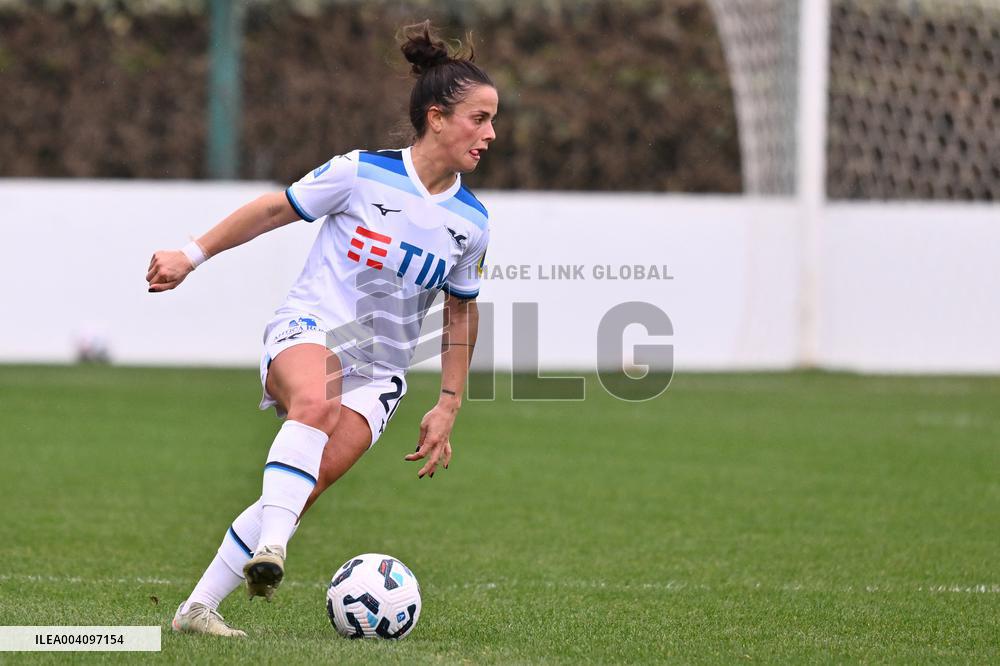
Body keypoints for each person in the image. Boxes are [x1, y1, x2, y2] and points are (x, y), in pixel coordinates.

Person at [146, 21, 497, 637]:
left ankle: (196, 611)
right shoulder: (361, 172)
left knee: (300, 488)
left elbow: (460, 310)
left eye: (494, 121)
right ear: (437, 118)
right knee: (314, 398)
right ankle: (274, 553)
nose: (491, 134)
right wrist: (189, 255)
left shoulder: (472, 223)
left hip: (382, 370)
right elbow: (275, 208)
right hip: (314, 329)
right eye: (480, 118)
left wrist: (449, 403)